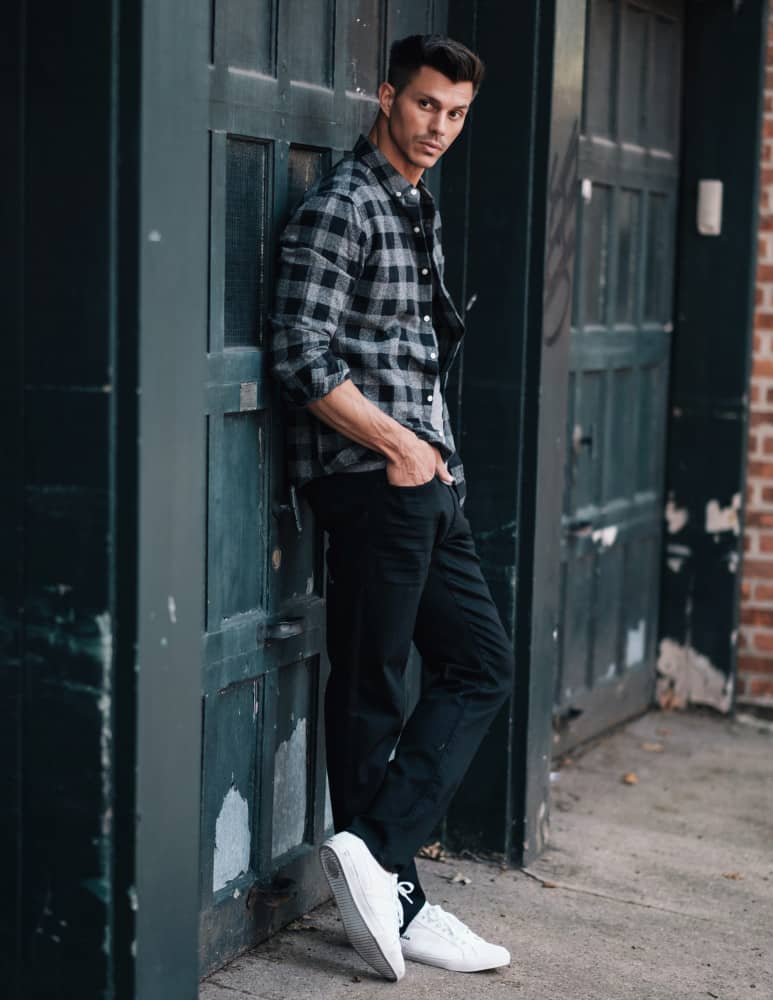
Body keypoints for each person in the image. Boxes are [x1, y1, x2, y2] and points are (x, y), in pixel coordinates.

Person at [270, 34, 514, 983]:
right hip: (374, 479)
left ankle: (376, 859)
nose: (438, 129)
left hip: (425, 482)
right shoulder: (342, 206)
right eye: (423, 107)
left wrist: (433, 458)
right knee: (373, 686)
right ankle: (396, 894)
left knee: (480, 663)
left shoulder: (411, 204)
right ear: (385, 97)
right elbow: (299, 351)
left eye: (454, 114)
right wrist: (401, 447)